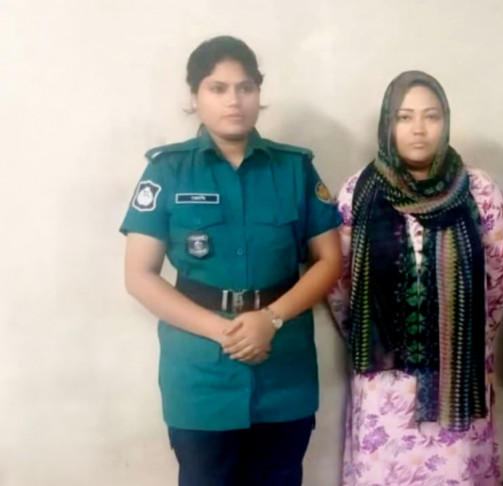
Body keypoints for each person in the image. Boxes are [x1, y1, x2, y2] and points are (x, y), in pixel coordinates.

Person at [121, 35, 341, 486]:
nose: (233, 100)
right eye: (217, 88)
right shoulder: (167, 170)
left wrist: (271, 320)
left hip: (283, 369)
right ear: (195, 96)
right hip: (200, 374)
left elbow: (329, 260)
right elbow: (139, 276)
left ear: (259, 92)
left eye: (245, 87)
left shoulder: (294, 169)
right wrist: (223, 331)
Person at [327, 70, 503, 486]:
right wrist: (373, 332)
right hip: (384, 378)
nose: (418, 129)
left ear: (446, 121)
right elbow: (338, 282)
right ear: (387, 123)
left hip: (459, 369)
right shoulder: (358, 192)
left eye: (431, 116)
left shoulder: (478, 190)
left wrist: (470, 330)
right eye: (404, 117)